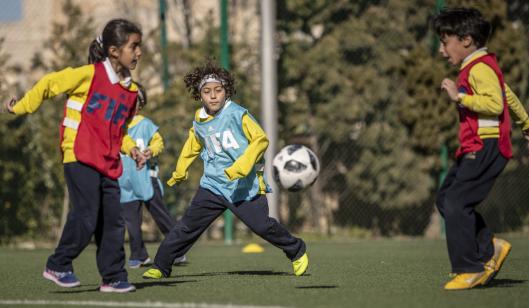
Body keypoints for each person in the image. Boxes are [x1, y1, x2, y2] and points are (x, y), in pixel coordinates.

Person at [3, 19, 147, 293]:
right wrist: (21, 107)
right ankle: (59, 263)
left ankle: (114, 276)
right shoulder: (89, 74)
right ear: (115, 51)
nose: (139, 52)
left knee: (113, 221)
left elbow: (119, 130)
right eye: (134, 46)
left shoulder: (130, 93)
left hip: (108, 162)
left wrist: (132, 149)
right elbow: (49, 83)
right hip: (79, 155)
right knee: (86, 215)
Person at [142, 60, 308, 280]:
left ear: (226, 91)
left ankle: (296, 250)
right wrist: (180, 170)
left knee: (262, 226)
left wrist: (240, 168)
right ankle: (161, 265)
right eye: (207, 91)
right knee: (186, 227)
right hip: (213, 185)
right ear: (199, 95)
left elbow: (260, 140)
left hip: (243, 186)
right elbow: (193, 144)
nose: (213, 96)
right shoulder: (199, 119)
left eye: (218, 91)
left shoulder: (238, 114)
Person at [432, 7, 529, 290]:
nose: (441, 50)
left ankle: (470, 268)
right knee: (446, 199)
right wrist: (526, 122)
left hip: (486, 146)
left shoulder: (479, 67)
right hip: (476, 145)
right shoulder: (478, 66)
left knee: (457, 203)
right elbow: (506, 94)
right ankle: (490, 247)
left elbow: (495, 104)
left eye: (445, 42)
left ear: (467, 40)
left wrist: (459, 97)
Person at [118, 82, 187, 268]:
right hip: (125, 180)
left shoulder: (146, 124)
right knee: (131, 220)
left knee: (160, 214)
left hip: (147, 177)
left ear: (140, 103)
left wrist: (150, 151)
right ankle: (139, 254)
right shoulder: (117, 125)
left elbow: (159, 143)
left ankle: (178, 249)